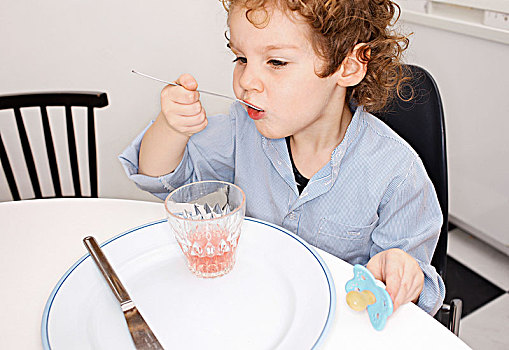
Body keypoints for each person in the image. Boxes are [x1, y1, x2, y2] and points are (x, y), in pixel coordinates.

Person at [120, 0, 445, 315]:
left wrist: (401, 273)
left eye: (276, 62)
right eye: (241, 58)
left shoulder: (397, 172)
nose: (246, 81)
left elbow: (412, 296)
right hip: (253, 309)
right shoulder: (240, 128)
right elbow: (161, 178)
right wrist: (172, 127)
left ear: (348, 65)